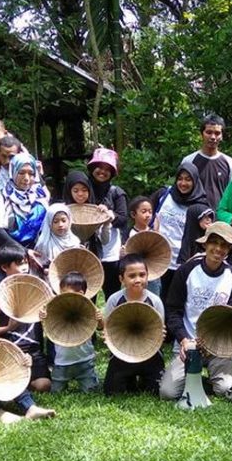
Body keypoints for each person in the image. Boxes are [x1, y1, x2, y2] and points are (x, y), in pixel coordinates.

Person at [160, 222, 232, 401]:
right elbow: (173, 310)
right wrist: (183, 339)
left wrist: (216, 342)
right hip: (188, 343)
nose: (219, 249)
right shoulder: (186, 271)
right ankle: (193, 377)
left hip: (218, 345)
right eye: (214, 243)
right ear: (205, 244)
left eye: (224, 245)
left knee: (225, 389)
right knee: (168, 393)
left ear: (229, 249)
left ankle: (211, 377)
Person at [0, 243, 52, 393]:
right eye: (19, 264)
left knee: (44, 385)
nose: (25, 267)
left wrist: (45, 318)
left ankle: (23, 383)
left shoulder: (37, 289)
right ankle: (16, 381)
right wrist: (8, 328)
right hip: (9, 351)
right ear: (4, 267)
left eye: (25, 262)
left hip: (34, 352)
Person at [102, 254, 166, 396]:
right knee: (111, 391)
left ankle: (143, 378)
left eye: (142, 275)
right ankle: (129, 377)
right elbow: (109, 327)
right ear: (121, 279)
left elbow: (159, 328)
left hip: (150, 353)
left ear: (147, 276)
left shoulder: (155, 301)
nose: (138, 280)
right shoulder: (114, 300)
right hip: (122, 352)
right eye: (132, 276)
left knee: (158, 390)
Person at [152, 162, 209, 297]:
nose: (183, 183)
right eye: (180, 178)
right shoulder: (165, 194)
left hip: (184, 261)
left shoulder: (200, 205)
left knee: (178, 300)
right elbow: (147, 213)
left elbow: (205, 234)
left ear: (195, 180)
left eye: (188, 179)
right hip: (158, 258)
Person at [42, 272, 103, 393]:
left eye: (66, 294)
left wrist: (100, 319)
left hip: (85, 361)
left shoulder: (91, 309)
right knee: (56, 392)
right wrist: (43, 318)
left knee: (91, 391)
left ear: (81, 294)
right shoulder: (56, 308)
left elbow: (100, 328)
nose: (62, 297)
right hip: (61, 363)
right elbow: (48, 329)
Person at [87, 147, 129, 299]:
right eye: (99, 167)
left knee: (112, 292)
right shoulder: (84, 189)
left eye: (107, 169)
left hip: (110, 250)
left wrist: (109, 216)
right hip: (88, 248)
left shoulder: (116, 192)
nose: (102, 172)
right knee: (87, 290)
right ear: (92, 167)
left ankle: (113, 320)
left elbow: (124, 218)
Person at [0, 152, 47, 250]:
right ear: (13, 171)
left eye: (31, 173)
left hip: (38, 253)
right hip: (9, 254)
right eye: (21, 172)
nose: (26, 178)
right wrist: (24, 252)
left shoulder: (40, 196)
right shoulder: (1, 196)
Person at [181, 113, 232, 210]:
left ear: (222, 136)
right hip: (193, 217)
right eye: (209, 132)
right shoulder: (189, 161)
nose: (213, 137)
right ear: (202, 134)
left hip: (220, 220)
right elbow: (181, 191)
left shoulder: (229, 163)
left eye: (217, 133)